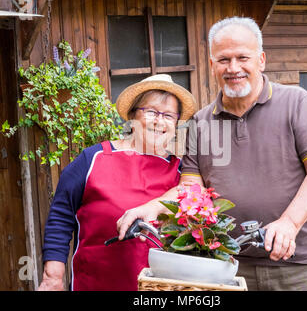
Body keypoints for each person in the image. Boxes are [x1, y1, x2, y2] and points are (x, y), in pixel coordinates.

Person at [117, 17, 307, 291]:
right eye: (223, 60)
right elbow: (191, 189)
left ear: (261, 60)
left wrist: (289, 223)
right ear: (212, 66)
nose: (233, 68)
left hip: (299, 265)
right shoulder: (201, 122)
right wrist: (150, 208)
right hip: (227, 266)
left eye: (242, 57)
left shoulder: (295, 102)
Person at [37, 74, 196, 291]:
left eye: (168, 115)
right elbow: (61, 215)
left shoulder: (181, 172)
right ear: (132, 116)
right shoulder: (93, 159)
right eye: (151, 112)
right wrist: (52, 276)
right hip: (94, 284)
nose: (159, 121)